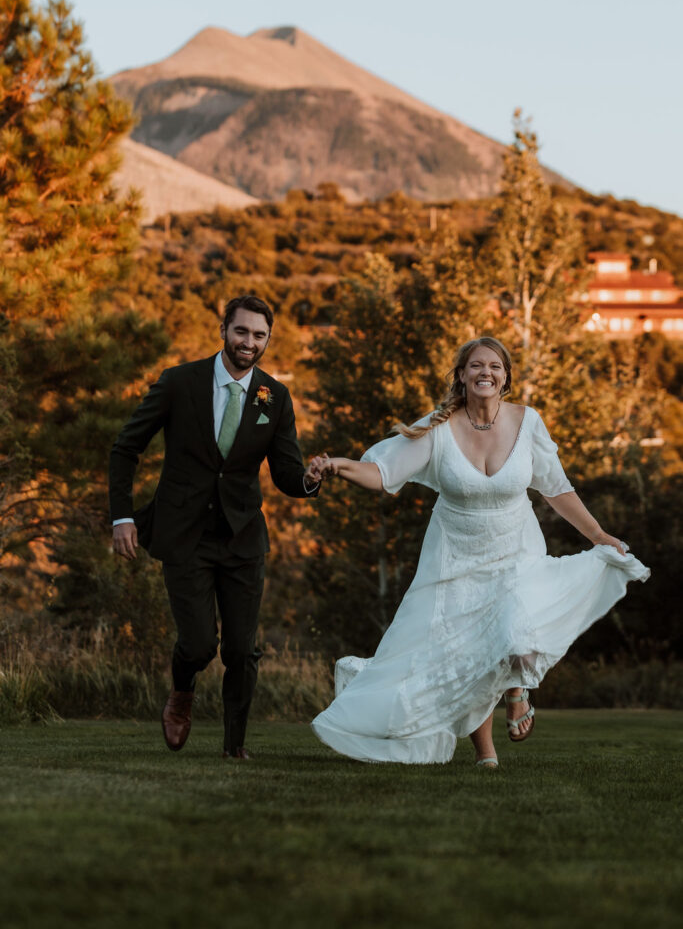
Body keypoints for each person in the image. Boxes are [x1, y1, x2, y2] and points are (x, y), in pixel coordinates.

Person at [311, 337, 649, 768]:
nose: (485, 372)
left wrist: (599, 534)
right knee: (462, 652)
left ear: (506, 377)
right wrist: (337, 465)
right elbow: (382, 473)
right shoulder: (438, 427)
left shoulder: (528, 423)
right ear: (462, 375)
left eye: (494, 366)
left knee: (516, 640)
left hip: (515, 550)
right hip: (454, 556)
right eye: (476, 365)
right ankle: (486, 753)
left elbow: (557, 489)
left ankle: (515, 693)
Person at [109, 295, 323, 759]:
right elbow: (125, 448)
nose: (250, 342)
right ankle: (182, 691)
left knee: (242, 650)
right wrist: (122, 516)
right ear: (224, 330)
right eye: (242, 332)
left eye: (259, 335)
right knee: (201, 643)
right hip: (183, 533)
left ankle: (234, 748)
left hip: (243, 537)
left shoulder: (274, 396)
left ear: (268, 340)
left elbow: (287, 473)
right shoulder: (179, 383)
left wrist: (309, 480)